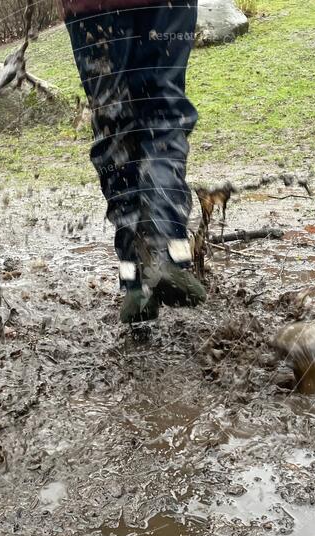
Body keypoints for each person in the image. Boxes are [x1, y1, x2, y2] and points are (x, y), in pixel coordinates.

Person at [62, 0, 207, 323]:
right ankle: (167, 248)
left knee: (112, 126)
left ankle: (135, 280)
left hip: (90, 8)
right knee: (162, 114)